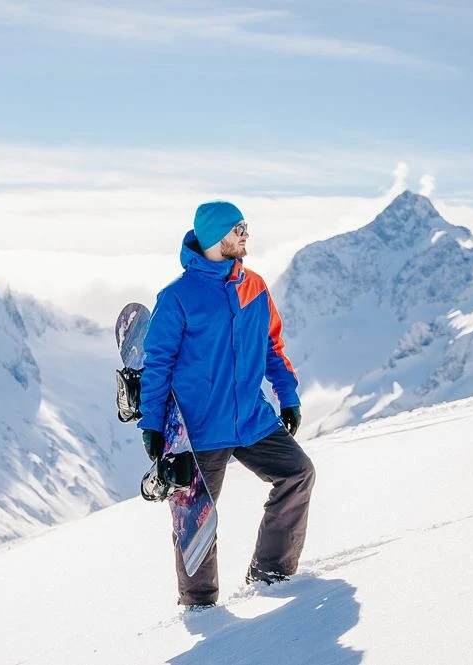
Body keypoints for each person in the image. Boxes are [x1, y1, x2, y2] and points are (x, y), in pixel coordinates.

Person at [138, 200, 315, 609]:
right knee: (194, 519)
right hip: (200, 429)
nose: (246, 234)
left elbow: (271, 347)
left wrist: (287, 396)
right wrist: (152, 425)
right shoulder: (178, 297)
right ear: (218, 236)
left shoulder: (254, 285)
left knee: (297, 473)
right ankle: (199, 605)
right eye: (239, 228)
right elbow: (157, 364)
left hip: (251, 418)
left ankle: (271, 572)